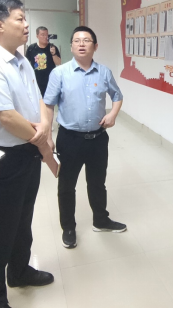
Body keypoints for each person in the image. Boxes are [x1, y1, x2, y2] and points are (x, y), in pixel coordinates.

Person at [0, 0, 57, 308]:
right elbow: (5, 116)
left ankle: (19, 271)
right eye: (19, 18)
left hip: (26, 151)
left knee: (22, 218)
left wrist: (45, 130)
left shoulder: (22, 59)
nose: (26, 24)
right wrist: (41, 139)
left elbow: (39, 100)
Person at [44, 26, 126, 250]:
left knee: (97, 182)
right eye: (77, 40)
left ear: (95, 46)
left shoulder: (104, 72)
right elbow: (48, 105)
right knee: (66, 185)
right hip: (69, 139)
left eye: (87, 40)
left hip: (98, 139)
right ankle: (68, 227)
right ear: (71, 46)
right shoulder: (59, 73)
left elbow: (117, 96)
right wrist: (48, 136)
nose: (81, 44)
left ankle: (101, 220)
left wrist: (113, 114)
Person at [25, 26, 60, 97]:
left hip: (50, 81)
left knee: (49, 101)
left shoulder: (53, 47)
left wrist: (53, 54)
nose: (45, 37)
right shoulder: (31, 48)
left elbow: (58, 63)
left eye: (47, 35)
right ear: (37, 36)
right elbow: (26, 64)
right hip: (35, 81)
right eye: (42, 35)